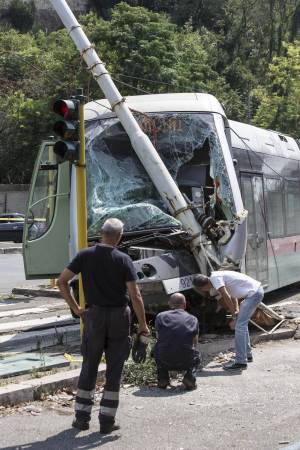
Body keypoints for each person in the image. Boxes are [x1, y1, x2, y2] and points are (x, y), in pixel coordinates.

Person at [57, 218, 149, 434]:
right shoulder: (123, 259)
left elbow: (61, 282)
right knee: (114, 369)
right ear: (120, 236)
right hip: (119, 317)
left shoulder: (84, 255)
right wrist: (143, 325)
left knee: (89, 365)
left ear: (101, 233)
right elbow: (135, 295)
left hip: (93, 316)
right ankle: (107, 422)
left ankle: (81, 419)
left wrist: (77, 308)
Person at [193, 270, 264, 371]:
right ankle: (247, 355)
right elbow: (232, 295)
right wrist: (236, 310)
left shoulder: (215, 278)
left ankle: (240, 362)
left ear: (203, 287)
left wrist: (233, 313)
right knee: (242, 325)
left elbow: (226, 295)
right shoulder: (216, 279)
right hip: (255, 293)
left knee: (239, 326)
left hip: (254, 294)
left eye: (203, 290)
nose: (206, 291)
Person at [154, 293, 200, 390]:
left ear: (170, 304)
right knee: (197, 354)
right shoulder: (193, 319)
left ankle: (163, 378)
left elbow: (158, 338)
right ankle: (189, 377)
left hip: (164, 359)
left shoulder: (160, 316)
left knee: (157, 349)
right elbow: (194, 343)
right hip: (186, 360)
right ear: (185, 304)